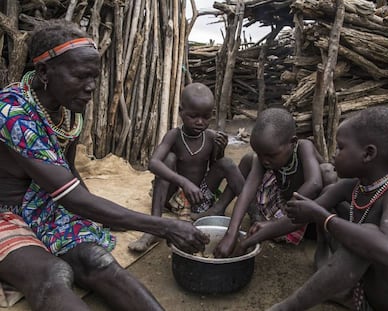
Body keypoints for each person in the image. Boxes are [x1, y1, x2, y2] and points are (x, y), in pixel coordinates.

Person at [0, 19, 209, 311]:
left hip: (45, 204)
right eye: (81, 76)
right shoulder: (13, 114)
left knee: (96, 260)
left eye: (95, 77)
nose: (91, 88)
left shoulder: (67, 111)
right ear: (45, 71)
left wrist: (104, 216)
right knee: (52, 274)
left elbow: (69, 173)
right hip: (6, 214)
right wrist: (162, 225)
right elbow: (70, 197)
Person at [269, 106, 388, 311]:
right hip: (365, 293)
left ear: (368, 154)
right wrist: (250, 238)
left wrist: (323, 218)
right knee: (340, 209)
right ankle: (331, 276)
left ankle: (286, 308)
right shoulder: (350, 187)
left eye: (340, 147)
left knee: (369, 237)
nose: (334, 154)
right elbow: (297, 218)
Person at [129, 82, 244, 252]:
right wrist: (183, 182)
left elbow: (215, 168)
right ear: (181, 111)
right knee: (168, 159)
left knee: (226, 163)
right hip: (174, 195)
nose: (200, 122)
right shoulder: (174, 136)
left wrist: (220, 151)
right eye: (193, 116)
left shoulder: (211, 137)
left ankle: (241, 212)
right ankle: (153, 228)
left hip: (199, 196)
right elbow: (153, 163)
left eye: (206, 117)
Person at [214, 107, 326, 258]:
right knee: (249, 159)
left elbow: (314, 184)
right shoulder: (265, 157)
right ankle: (223, 208)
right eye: (260, 153)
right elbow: (247, 191)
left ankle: (324, 249)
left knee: (327, 171)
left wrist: (277, 222)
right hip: (282, 202)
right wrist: (231, 233)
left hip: (307, 215)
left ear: (292, 143)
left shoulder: (304, 147)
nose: (264, 160)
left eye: (270, 155)